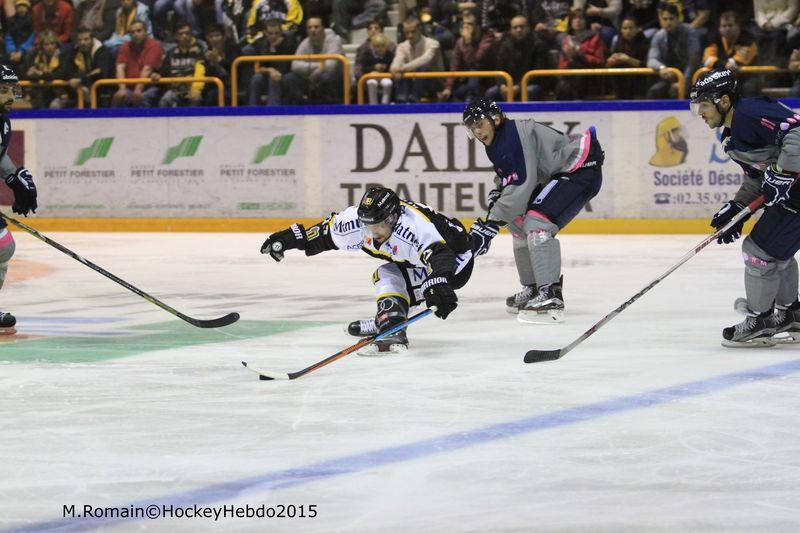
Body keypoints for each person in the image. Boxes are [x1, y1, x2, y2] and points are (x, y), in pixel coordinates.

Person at [260, 187, 473, 355]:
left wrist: (437, 282)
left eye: (378, 225)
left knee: (389, 275)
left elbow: (440, 255)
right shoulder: (356, 222)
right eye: (367, 225)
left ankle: (392, 326)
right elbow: (324, 235)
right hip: (414, 259)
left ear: (393, 218)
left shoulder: (414, 227)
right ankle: (389, 319)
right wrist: (288, 239)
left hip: (454, 260)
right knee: (388, 274)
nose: (372, 232)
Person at [463, 98, 604, 323]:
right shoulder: (497, 142)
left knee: (537, 223)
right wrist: (498, 193)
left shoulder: (511, 136)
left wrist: (491, 223)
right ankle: (535, 288)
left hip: (580, 170)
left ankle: (550, 295)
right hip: (560, 173)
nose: (477, 132)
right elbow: (510, 176)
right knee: (518, 224)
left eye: (479, 124)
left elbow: (523, 182)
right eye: (472, 128)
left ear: (496, 119)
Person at [690, 68, 800, 347]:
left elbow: (798, 132)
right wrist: (738, 208)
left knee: (758, 251)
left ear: (724, 101)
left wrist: (785, 172)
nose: (700, 112)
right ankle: (791, 314)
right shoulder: (734, 132)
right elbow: (757, 177)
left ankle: (760, 321)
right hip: (794, 196)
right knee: (777, 252)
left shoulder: (750, 113)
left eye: (704, 104)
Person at [0, 64, 38, 335]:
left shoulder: (3, 118)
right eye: (4, 89)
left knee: (2, 246)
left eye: (13, 89)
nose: (11, 95)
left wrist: (14, 177)